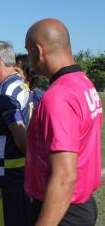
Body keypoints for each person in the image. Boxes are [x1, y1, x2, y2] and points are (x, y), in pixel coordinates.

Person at [24, 18, 102, 226]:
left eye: (27, 51)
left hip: (62, 211)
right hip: (80, 206)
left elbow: (64, 177)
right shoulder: (83, 83)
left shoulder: (58, 96)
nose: (27, 60)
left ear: (38, 51)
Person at [0, 41, 36, 226]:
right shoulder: (19, 85)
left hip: (6, 176)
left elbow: (20, 137)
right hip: (10, 174)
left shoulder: (6, 91)